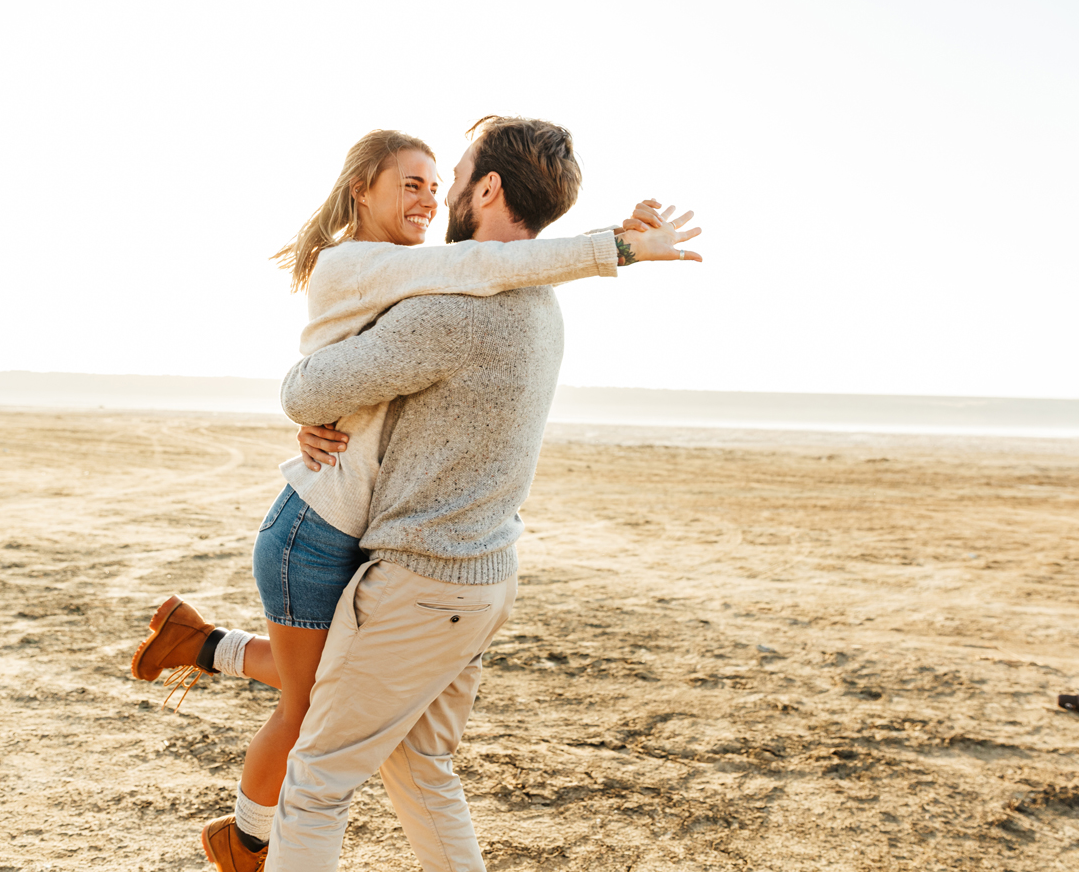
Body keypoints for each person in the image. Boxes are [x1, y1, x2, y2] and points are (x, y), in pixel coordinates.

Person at [128, 119, 701, 871]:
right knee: (421, 771)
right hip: (483, 578)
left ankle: (208, 666)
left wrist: (313, 410)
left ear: (487, 188)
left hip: (419, 583)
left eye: (454, 175)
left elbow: (311, 388)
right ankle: (203, 647)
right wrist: (612, 246)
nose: (441, 194)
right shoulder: (540, 308)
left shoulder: (452, 308)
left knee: (318, 780)